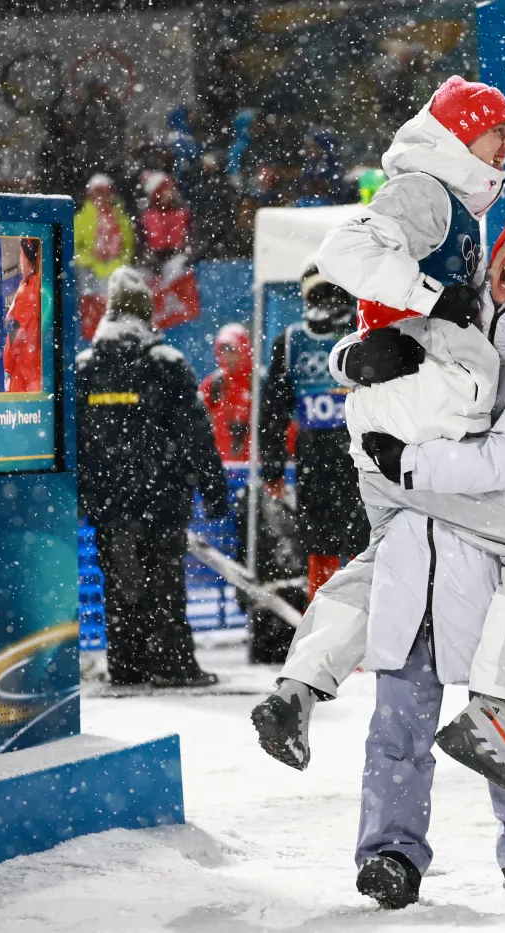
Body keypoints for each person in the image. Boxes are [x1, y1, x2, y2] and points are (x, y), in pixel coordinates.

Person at [249, 87, 505, 803]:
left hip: (394, 430)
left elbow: (394, 328)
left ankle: (296, 689)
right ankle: (492, 708)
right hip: (421, 433)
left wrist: (353, 357)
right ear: (462, 135)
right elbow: (347, 250)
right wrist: (428, 301)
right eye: (499, 132)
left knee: (381, 562)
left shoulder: (460, 213)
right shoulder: (430, 192)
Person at [351, 217, 505, 909]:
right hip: (421, 552)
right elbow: (378, 345)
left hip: (502, 554)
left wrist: (414, 461)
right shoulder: (452, 315)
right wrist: (360, 358)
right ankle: (390, 853)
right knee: (398, 718)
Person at [76, 267, 227, 688]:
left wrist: (82, 496)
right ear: (146, 311)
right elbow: (197, 434)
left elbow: (76, 443)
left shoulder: (86, 368)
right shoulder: (167, 364)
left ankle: (126, 665)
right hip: (163, 500)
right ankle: (173, 663)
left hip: (110, 504)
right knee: (165, 586)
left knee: (122, 588)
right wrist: (214, 492)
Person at [257, 264, 369, 601]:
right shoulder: (363, 332)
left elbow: (272, 413)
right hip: (360, 454)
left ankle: (326, 622)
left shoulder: (290, 340)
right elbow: (273, 412)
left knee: (325, 546)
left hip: (323, 458)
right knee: (359, 544)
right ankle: (351, 623)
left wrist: (273, 469)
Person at [75, 174, 136, 339]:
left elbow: (128, 248)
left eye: (106, 193)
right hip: (90, 275)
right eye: (98, 193)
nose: (102, 198)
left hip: (114, 273)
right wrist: (92, 259)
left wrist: (116, 263)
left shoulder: (121, 218)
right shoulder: (81, 219)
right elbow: (73, 249)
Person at [201, 323, 254, 462]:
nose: (226, 355)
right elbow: (196, 421)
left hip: (254, 468)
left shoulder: (257, 383)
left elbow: (279, 424)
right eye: (222, 350)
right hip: (221, 466)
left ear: (243, 350)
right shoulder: (212, 384)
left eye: (232, 349)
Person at [3, 238, 42, 393]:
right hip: (37, 379)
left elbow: (14, 339)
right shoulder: (39, 286)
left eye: (20, 252)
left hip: (23, 381)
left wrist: (7, 363)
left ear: (25, 257)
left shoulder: (27, 292)